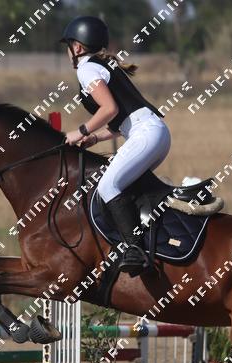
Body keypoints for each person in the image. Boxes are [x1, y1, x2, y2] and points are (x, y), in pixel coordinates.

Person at [60, 15, 171, 277]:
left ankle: (135, 250)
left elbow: (109, 109)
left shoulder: (87, 68)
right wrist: (96, 138)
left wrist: (81, 131)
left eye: (68, 46)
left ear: (77, 47)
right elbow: (122, 119)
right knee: (126, 186)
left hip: (146, 134)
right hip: (152, 134)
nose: (67, 52)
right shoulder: (102, 65)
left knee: (108, 186)